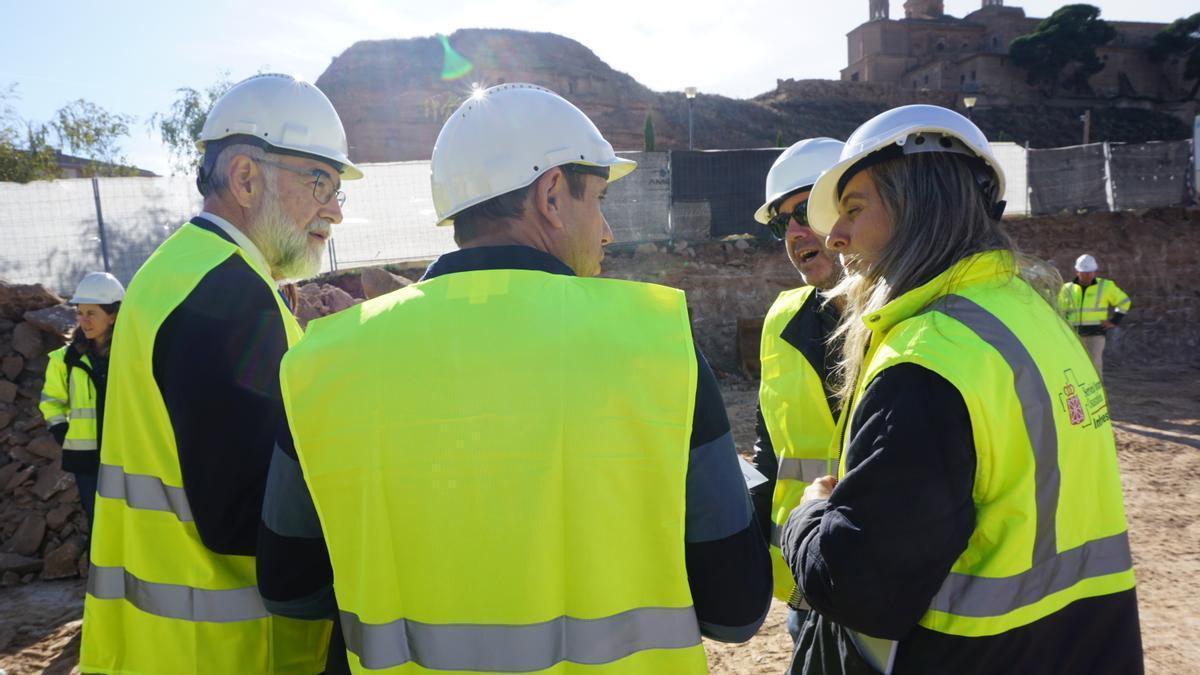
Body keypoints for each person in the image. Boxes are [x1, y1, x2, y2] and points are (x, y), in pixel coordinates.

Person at [256, 83, 772, 673]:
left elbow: (288, 588)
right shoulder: (658, 345)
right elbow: (736, 610)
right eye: (598, 200)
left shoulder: (322, 364)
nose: (605, 231)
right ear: (551, 194)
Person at [781, 105, 1142, 674]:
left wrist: (808, 516)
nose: (835, 235)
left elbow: (862, 588)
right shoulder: (1031, 313)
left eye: (854, 208)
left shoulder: (928, 361)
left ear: (919, 202)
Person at [80, 73, 362, 675]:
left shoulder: (181, 270)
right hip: (230, 652)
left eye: (338, 190)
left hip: (166, 647)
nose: (334, 210)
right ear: (245, 177)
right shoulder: (227, 293)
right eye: (321, 183)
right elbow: (246, 515)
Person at [747, 138, 845, 645]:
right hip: (803, 576)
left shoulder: (915, 321)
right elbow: (770, 447)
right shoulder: (781, 318)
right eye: (782, 222)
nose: (794, 233)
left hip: (895, 578)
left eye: (805, 209)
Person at [39, 271, 125, 537]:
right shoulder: (64, 359)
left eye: (92, 313)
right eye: (80, 312)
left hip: (126, 454)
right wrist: (62, 433)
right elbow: (51, 402)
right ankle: (100, 577)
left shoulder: (130, 355)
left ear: (112, 315)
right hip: (86, 458)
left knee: (131, 521)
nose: (83, 320)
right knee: (98, 521)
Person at [1059, 253, 1131, 379]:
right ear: (1077, 272)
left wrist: (1114, 321)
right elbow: (1060, 310)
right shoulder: (1067, 288)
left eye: (1091, 272)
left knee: (1094, 365)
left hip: (1095, 334)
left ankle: (1097, 393)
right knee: (1074, 365)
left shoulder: (1105, 286)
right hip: (1073, 334)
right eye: (1085, 272)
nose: (1088, 275)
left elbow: (1124, 301)